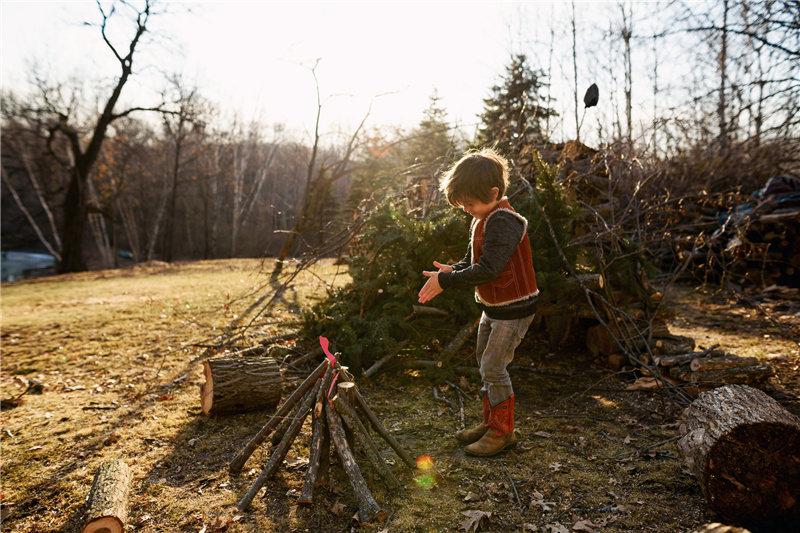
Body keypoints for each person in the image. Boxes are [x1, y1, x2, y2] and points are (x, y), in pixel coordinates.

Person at [418, 148, 538, 457]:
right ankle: (491, 423)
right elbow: (474, 262)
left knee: (494, 367)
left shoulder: (504, 221)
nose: (467, 209)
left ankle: (503, 432)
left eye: (469, 203)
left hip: (514, 309)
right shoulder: (484, 218)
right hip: (494, 308)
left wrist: (446, 282)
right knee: (485, 365)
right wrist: (452, 270)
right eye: (463, 204)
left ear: (494, 193)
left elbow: (489, 269)